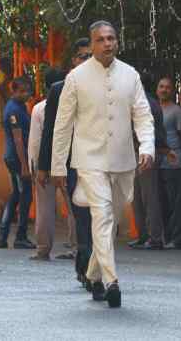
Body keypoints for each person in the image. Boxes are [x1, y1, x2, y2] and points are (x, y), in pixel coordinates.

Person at [51, 21, 154, 308]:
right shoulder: (76, 78)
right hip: (89, 160)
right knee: (103, 216)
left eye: (112, 38)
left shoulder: (130, 75)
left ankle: (93, 273)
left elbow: (143, 115)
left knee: (113, 220)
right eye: (101, 40)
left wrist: (147, 146)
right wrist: (58, 166)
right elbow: (63, 125)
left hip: (123, 161)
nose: (108, 43)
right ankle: (111, 281)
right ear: (92, 44)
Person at [37, 37, 93, 284]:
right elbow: (50, 130)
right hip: (72, 164)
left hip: (101, 162)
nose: (87, 61)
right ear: (74, 60)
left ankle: (96, 267)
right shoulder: (59, 90)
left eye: (92, 57)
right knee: (82, 216)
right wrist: (44, 167)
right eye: (83, 56)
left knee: (101, 218)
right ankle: (87, 266)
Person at [28, 67, 66, 260]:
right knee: (76, 205)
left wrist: (35, 166)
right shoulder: (72, 103)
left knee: (44, 207)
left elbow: (36, 140)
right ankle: (78, 247)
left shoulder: (39, 108)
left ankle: (43, 248)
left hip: (46, 163)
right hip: (68, 162)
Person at [128, 73, 169, 250]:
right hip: (138, 153)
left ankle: (154, 237)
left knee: (148, 195)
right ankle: (144, 235)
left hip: (145, 153)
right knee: (138, 196)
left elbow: (146, 131)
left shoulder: (146, 104)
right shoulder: (144, 102)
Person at [0, 76, 36, 250]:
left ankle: (3, 235)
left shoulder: (20, 107)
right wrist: (25, 166)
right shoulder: (14, 110)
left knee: (16, 196)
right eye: (22, 91)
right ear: (13, 91)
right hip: (17, 158)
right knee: (24, 196)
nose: (26, 94)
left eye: (28, 90)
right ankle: (20, 236)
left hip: (15, 157)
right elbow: (18, 139)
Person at [157, 77, 181, 249]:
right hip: (158, 162)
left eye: (168, 87)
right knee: (163, 201)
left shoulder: (177, 111)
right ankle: (167, 236)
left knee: (175, 201)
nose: (164, 90)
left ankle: (178, 238)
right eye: (161, 86)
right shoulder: (154, 109)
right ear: (157, 89)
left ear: (172, 91)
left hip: (174, 161)